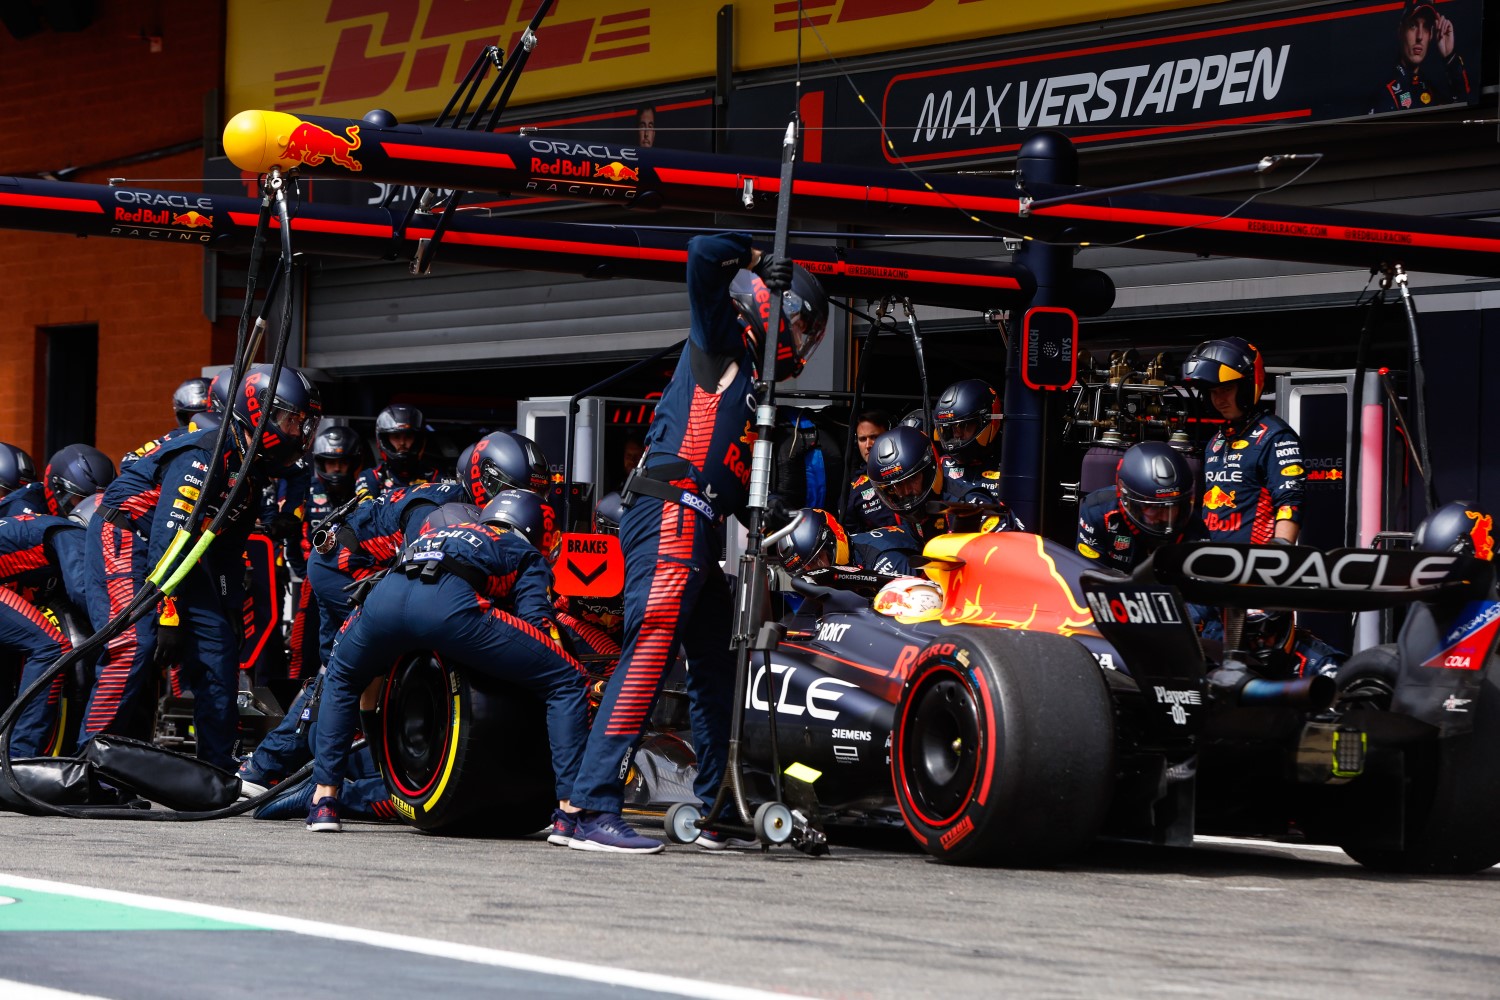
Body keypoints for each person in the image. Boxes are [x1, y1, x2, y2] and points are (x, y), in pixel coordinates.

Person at [565, 232, 827, 854]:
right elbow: (703, 252)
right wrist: (759, 259)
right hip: (672, 511)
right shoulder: (721, 340)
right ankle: (587, 807)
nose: (804, 345)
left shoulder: (758, 390)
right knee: (651, 652)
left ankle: (714, 807)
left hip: (702, 526)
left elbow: (737, 489)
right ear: (775, 308)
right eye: (803, 326)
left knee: (718, 667)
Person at [306, 489, 591, 833]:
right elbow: (536, 626)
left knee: (342, 677)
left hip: (386, 595)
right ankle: (571, 814)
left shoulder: (438, 531)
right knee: (567, 679)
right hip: (446, 605)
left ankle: (324, 801)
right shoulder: (523, 550)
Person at [82, 364, 319, 770]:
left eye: (302, 423)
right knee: (134, 645)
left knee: (219, 648)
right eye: (289, 419)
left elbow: (226, 552)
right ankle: (86, 764)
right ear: (257, 411)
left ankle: (216, 770)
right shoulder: (206, 453)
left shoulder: (251, 468)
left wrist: (229, 611)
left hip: (186, 555)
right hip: (128, 538)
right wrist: (169, 615)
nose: (297, 432)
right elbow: (168, 538)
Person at [1182, 337, 1305, 545]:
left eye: (1226, 389)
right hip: (1209, 560)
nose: (1219, 399)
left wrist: (1280, 554)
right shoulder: (1216, 441)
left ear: (1247, 387)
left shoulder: (1275, 436)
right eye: (1213, 392)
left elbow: (1290, 502)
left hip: (1251, 563)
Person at [0, 504, 93, 756]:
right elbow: (82, 591)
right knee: (51, 647)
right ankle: (20, 758)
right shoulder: (73, 534)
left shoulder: (39, 523)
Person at [1076, 441, 1204, 572]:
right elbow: (1089, 576)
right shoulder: (1099, 512)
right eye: (1155, 508)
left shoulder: (1194, 524)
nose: (1166, 518)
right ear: (1128, 500)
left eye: (1173, 507)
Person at [1370, 1, 1470, 114]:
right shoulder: (1384, 93)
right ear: (1400, 31)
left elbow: (1465, 113)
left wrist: (1450, 57)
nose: (1420, 36)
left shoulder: (1430, 89)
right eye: (1413, 25)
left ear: (1431, 35)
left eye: (1426, 27)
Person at [0, 445, 115, 520]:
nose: (91, 508)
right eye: (82, 500)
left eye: (101, 502)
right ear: (57, 488)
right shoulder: (22, 512)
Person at [933, 378, 1003, 501]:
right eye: (951, 428)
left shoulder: (1012, 466)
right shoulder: (938, 467)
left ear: (988, 421)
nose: (957, 434)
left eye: (964, 426)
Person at [356, 403, 442, 495]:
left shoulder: (434, 477)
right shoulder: (371, 477)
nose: (402, 443)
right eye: (396, 436)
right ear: (385, 440)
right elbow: (365, 508)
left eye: (408, 436)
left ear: (418, 440)